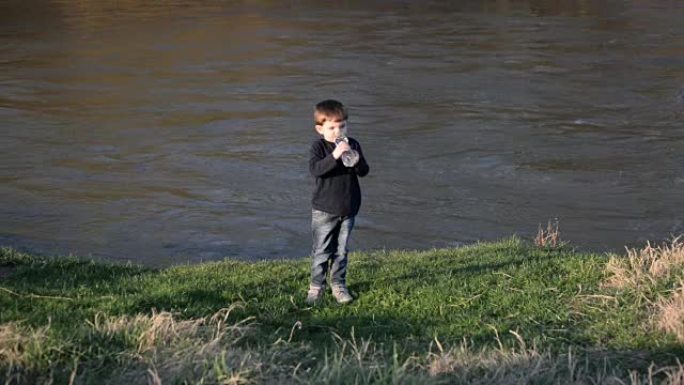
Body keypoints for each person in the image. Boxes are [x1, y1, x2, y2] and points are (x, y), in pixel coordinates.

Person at [306, 99, 369, 305]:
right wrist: (335, 154)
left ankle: (338, 284)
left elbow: (364, 172)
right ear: (320, 129)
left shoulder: (353, 143)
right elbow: (316, 170)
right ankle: (317, 286)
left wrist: (357, 160)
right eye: (331, 127)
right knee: (322, 250)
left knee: (341, 250)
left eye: (342, 126)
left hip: (348, 207)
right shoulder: (319, 147)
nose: (337, 131)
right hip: (324, 209)